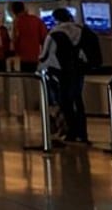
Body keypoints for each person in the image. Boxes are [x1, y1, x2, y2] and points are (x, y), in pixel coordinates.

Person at [39, 7, 90, 144]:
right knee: (78, 101)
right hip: (77, 70)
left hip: (59, 71)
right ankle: (83, 133)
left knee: (64, 101)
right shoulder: (81, 30)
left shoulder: (54, 33)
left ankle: (70, 132)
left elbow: (44, 55)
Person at [10, 1, 48, 72]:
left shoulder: (17, 22)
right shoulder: (36, 20)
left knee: (25, 80)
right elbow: (44, 38)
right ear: (24, 8)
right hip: (36, 56)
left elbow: (15, 40)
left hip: (22, 58)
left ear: (13, 11)